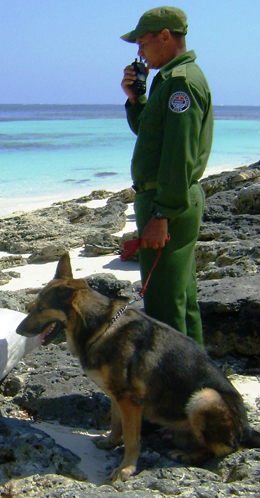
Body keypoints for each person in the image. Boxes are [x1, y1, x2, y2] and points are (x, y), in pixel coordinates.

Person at [120, 6, 213, 345]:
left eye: (142, 43)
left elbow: (179, 156)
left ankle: (175, 392)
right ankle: (200, 384)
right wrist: (136, 98)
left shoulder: (180, 84)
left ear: (165, 36)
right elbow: (152, 135)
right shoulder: (169, 80)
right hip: (170, 199)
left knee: (163, 308)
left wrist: (161, 214)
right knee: (181, 300)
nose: (139, 52)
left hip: (167, 201)